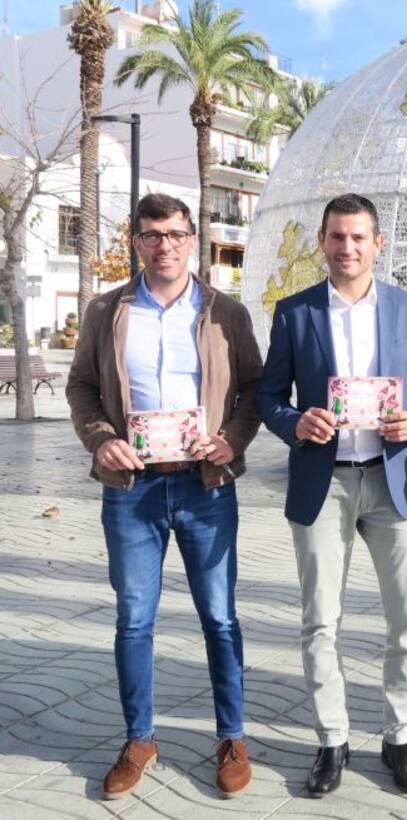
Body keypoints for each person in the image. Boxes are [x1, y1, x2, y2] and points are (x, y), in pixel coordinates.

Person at [66, 193, 262, 800]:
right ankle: (140, 738)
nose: (165, 246)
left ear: (192, 240)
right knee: (134, 619)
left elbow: (254, 391)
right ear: (137, 242)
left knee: (220, 616)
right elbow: (81, 387)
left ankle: (231, 737)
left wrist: (231, 440)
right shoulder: (107, 310)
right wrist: (101, 441)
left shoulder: (226, 313)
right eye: (152, 235)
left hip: (206, 485)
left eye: (175, 234)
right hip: (134, 489)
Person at [256, 193, 407, 798]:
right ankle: (331, 739)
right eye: (337, 237)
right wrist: (295, 423)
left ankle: (399, 736)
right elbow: (268, 397)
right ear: (322, 241)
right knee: (320, 621)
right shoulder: (295, 312)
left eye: (358, 237)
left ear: (377, 243)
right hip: (325, 482)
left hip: (393, 481)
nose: (347, 248)